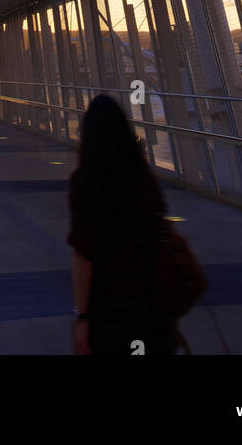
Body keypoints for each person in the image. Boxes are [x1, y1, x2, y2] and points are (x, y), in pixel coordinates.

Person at [67, 94, 177, 357]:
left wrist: (82, 318)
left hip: (109, 311)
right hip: (152, 309)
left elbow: (84, 256)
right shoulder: (144, 179)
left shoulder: (85, 182)